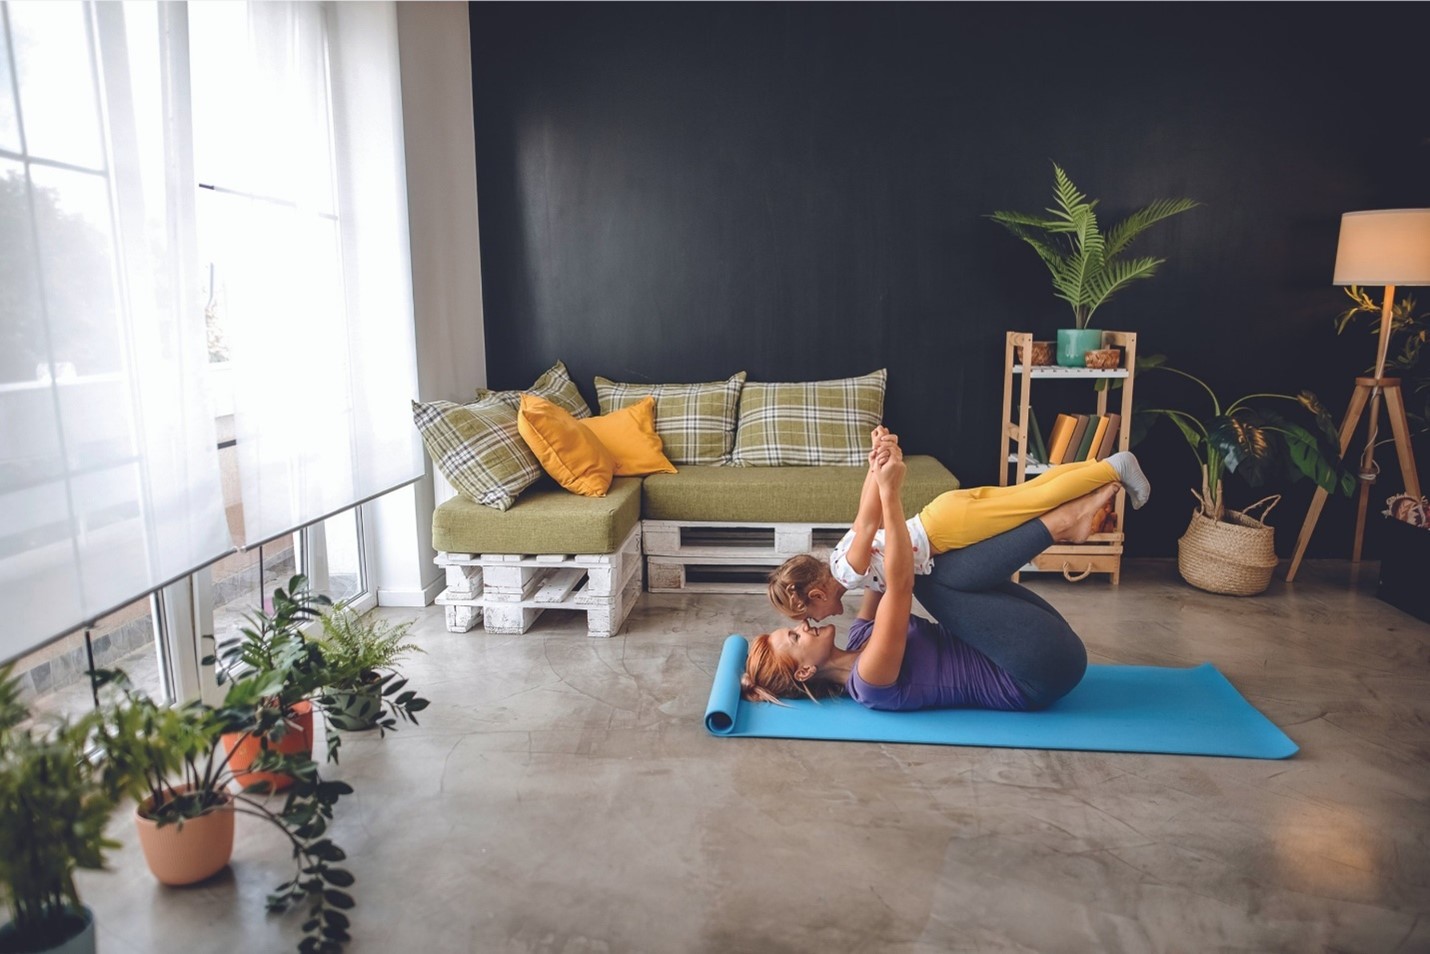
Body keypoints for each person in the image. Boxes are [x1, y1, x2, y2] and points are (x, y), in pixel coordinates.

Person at [741, 440, 1112, 712]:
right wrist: (891, 493)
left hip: (1031, 641)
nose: (804, 625)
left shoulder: (860, 635)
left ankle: (1058, 525)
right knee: (928, 576)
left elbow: (874, 551)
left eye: (796, 625)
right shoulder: (869, 682)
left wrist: (877, 463)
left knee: (933, 568)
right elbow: (901, 584)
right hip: (1036, 672)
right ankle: (1058, 525)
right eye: (794, 635)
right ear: (805, 671)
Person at [768, 427, 1149, 622]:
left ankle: (1112, 468)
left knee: (1035, 501)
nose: (817, 622)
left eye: (810, 618)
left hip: (945, 530)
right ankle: (1104, 466)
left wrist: (884, 472)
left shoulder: (847, 573)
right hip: (942, 514)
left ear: (817, 595)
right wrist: (877, 462)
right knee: (1032, 494)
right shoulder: (837, 558)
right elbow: (865, 516)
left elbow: (870, 523)